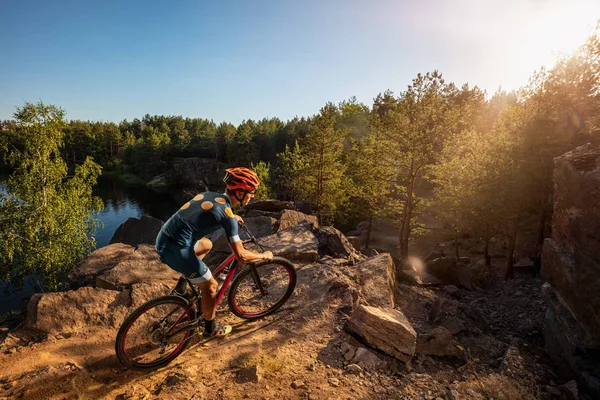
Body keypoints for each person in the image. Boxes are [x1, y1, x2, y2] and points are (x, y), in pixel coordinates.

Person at [155, 167, 274, 337]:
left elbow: (209, 211)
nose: (252, 195)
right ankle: (210, 329)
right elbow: (241, 256)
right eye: (251, 192)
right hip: (176, 251)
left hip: (163, 240)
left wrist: (232, 217)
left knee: (206, 244)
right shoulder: (226, 216)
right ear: (239, 192)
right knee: (211, 286)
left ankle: (181, 287)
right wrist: (264, 255)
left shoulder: (209, 195)